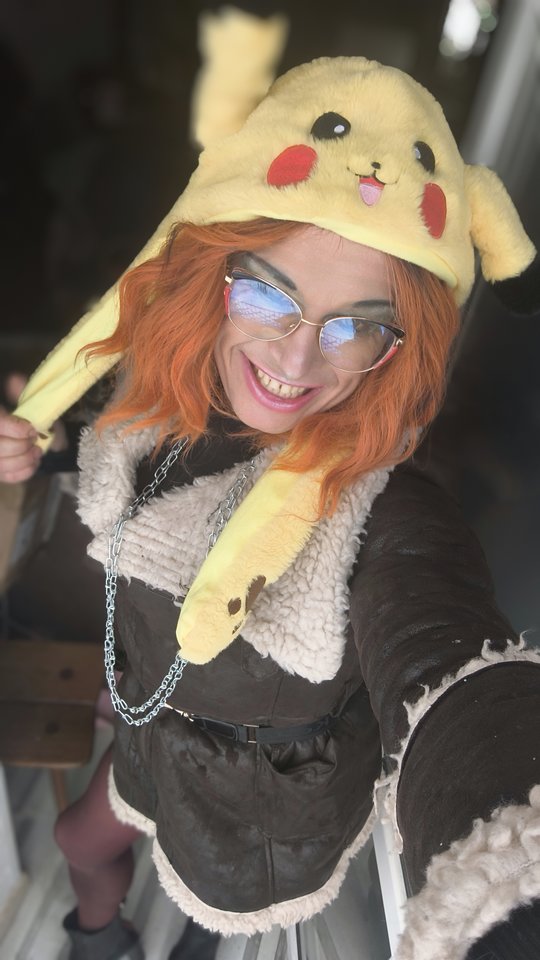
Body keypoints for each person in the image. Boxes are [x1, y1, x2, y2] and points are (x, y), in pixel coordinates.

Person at [2, 15, 540, 960]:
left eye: (356, 326)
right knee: (80, 845)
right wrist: (32, 449)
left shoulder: (383, 508)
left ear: (398, 348)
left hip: (259, 804)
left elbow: (447, 654)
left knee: (215, 921)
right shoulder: (157, 409)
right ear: (209, 277)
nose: (296, 363)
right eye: (267, 294)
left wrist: (510, 856)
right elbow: (107, 457)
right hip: (151, 736)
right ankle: (101, 938)